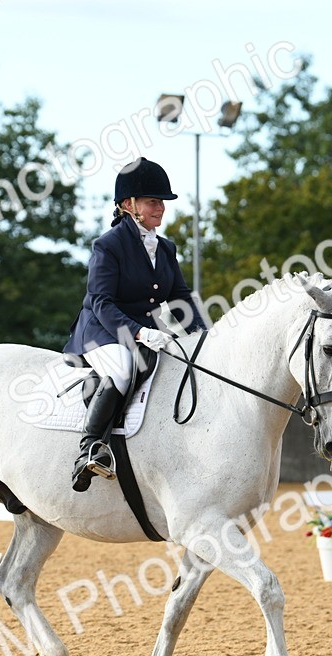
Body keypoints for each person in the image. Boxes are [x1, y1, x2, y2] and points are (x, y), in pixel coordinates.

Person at [63, 157, 208, 492]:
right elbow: (101, 302)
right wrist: (141, 332)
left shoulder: (166, 248)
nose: (160, 208)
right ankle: (89, 448)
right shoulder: (108, 245)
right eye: (153, 201)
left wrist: (201, 337)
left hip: (148, 333)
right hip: (102, 332)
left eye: (162, 202)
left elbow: (181, 297)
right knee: (124, 366)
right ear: (129, 205)